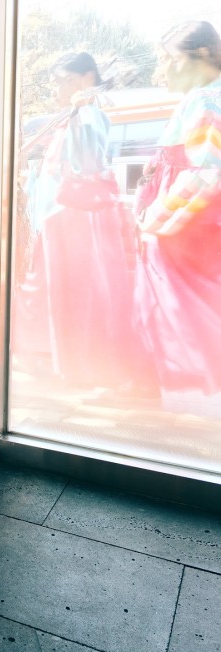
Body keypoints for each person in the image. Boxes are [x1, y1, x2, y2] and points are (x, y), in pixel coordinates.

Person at [13, 52, 140, 391]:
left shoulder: (87, 115)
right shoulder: (78, 115)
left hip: (71, 217)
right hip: (61, 216)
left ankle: (74, 361)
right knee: (53, 285)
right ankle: (51, 355)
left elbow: (88, 164)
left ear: (84, 79)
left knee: (69, 287)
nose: (56, 87)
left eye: (62, 80)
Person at [134, 21, 221, 395]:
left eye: (170, 59)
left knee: (189, 314)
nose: (162, 70)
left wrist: (157, 218)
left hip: (183, 234)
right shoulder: (203, 99)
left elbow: (208, 170)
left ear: (201, 55)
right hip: (191, 228)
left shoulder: (204, 101)